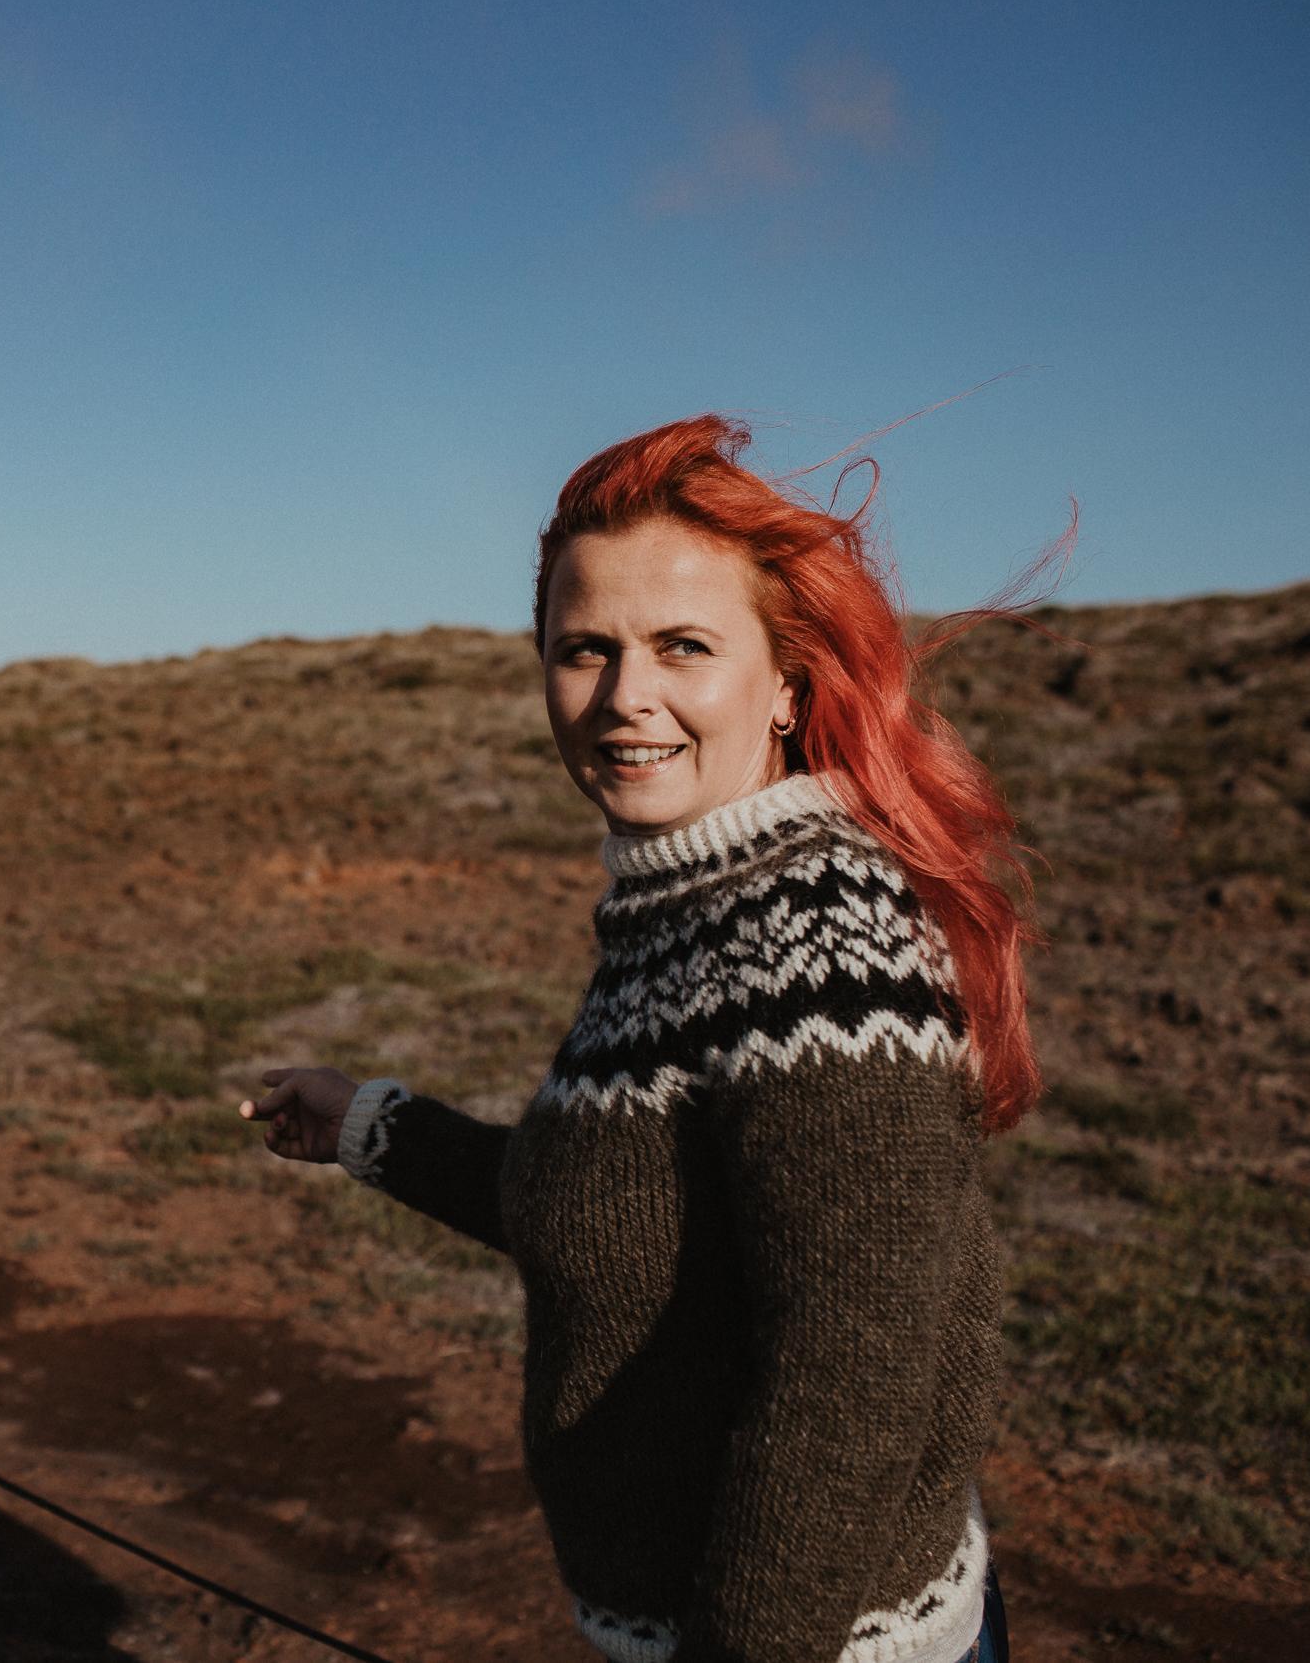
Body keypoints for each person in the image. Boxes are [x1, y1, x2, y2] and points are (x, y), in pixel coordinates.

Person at [240, 414, 1041, 1663]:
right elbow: (625, 1221)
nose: (625, 697)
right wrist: (372, 1129)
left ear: (785, 683)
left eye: (683, 646)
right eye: (584, 650)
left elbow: (854, 1374)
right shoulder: (695, 904)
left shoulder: (815, 941)